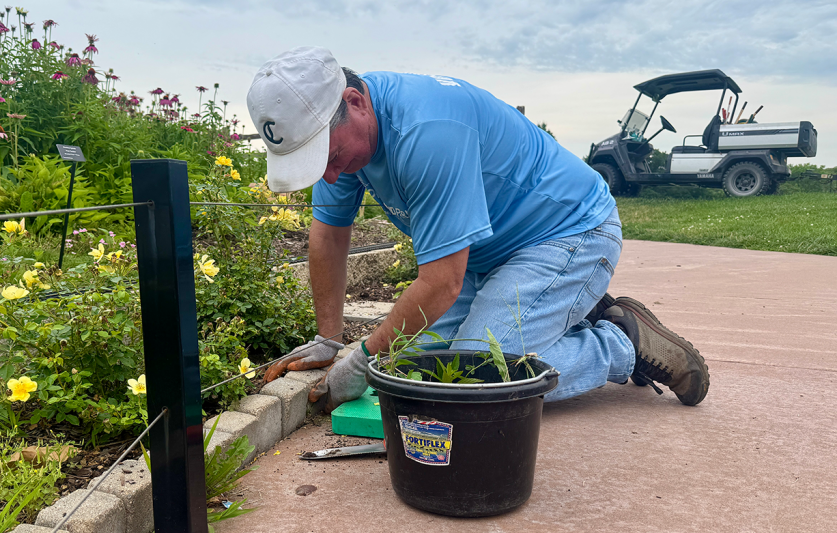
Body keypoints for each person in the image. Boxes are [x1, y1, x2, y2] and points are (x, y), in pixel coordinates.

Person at [246, 46, 709, 411]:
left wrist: (363, 360)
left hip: (568, 234)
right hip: (485, 255)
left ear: (354, 102)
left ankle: (617, 342)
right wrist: (330, 341)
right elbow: (328, 235)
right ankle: (549, 314)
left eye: (326, 157)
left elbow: (441, 282)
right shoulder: (342, 145)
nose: (328, 176)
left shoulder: (428, 130)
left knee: (471, 377)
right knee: (412, 370)